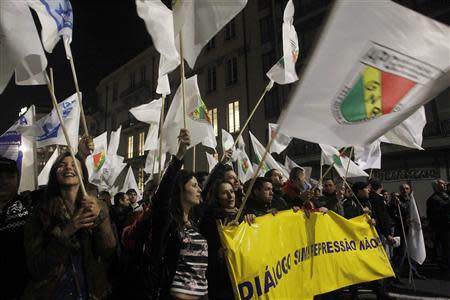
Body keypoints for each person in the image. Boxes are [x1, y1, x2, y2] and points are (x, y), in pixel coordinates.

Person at [23, 152, 116, 299]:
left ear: (83, 175)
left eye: (74, 165)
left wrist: (101, 218)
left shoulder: (98, 207)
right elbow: (36, 267)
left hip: (91, 293)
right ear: (54, 175)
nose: (68, 168)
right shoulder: (40, 213)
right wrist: (67, 231)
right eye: (62, 165)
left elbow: (108, 251)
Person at [146, 129, 208, 299]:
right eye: (194, 185)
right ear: (181, 189)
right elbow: (163, 194)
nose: (199, 189)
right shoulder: (167, 221)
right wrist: (179, 156)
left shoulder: (195, 221)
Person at [0, 157, 33, 300]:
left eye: (10, 176)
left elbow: (63, 188)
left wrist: (81, 157)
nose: (4, 181)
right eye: (0, 177)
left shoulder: (30, 204)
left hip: (25, 290)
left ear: (18, 179)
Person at [200, 180, 238, 300]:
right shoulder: (209, 220)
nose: (230, 195)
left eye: (232, 191)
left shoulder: (241, 215)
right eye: (224, 193)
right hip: (220, 281)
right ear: (217, 198)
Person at [427, 179, 450, 271]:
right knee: (445, 246)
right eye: (442, 184)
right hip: (442, 227)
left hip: (447, 225)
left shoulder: (446, 196)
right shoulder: (433, 199)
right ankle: (444, 264)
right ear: (436, 186)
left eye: (445, 183)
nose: (444, 184)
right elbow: (433, 215)